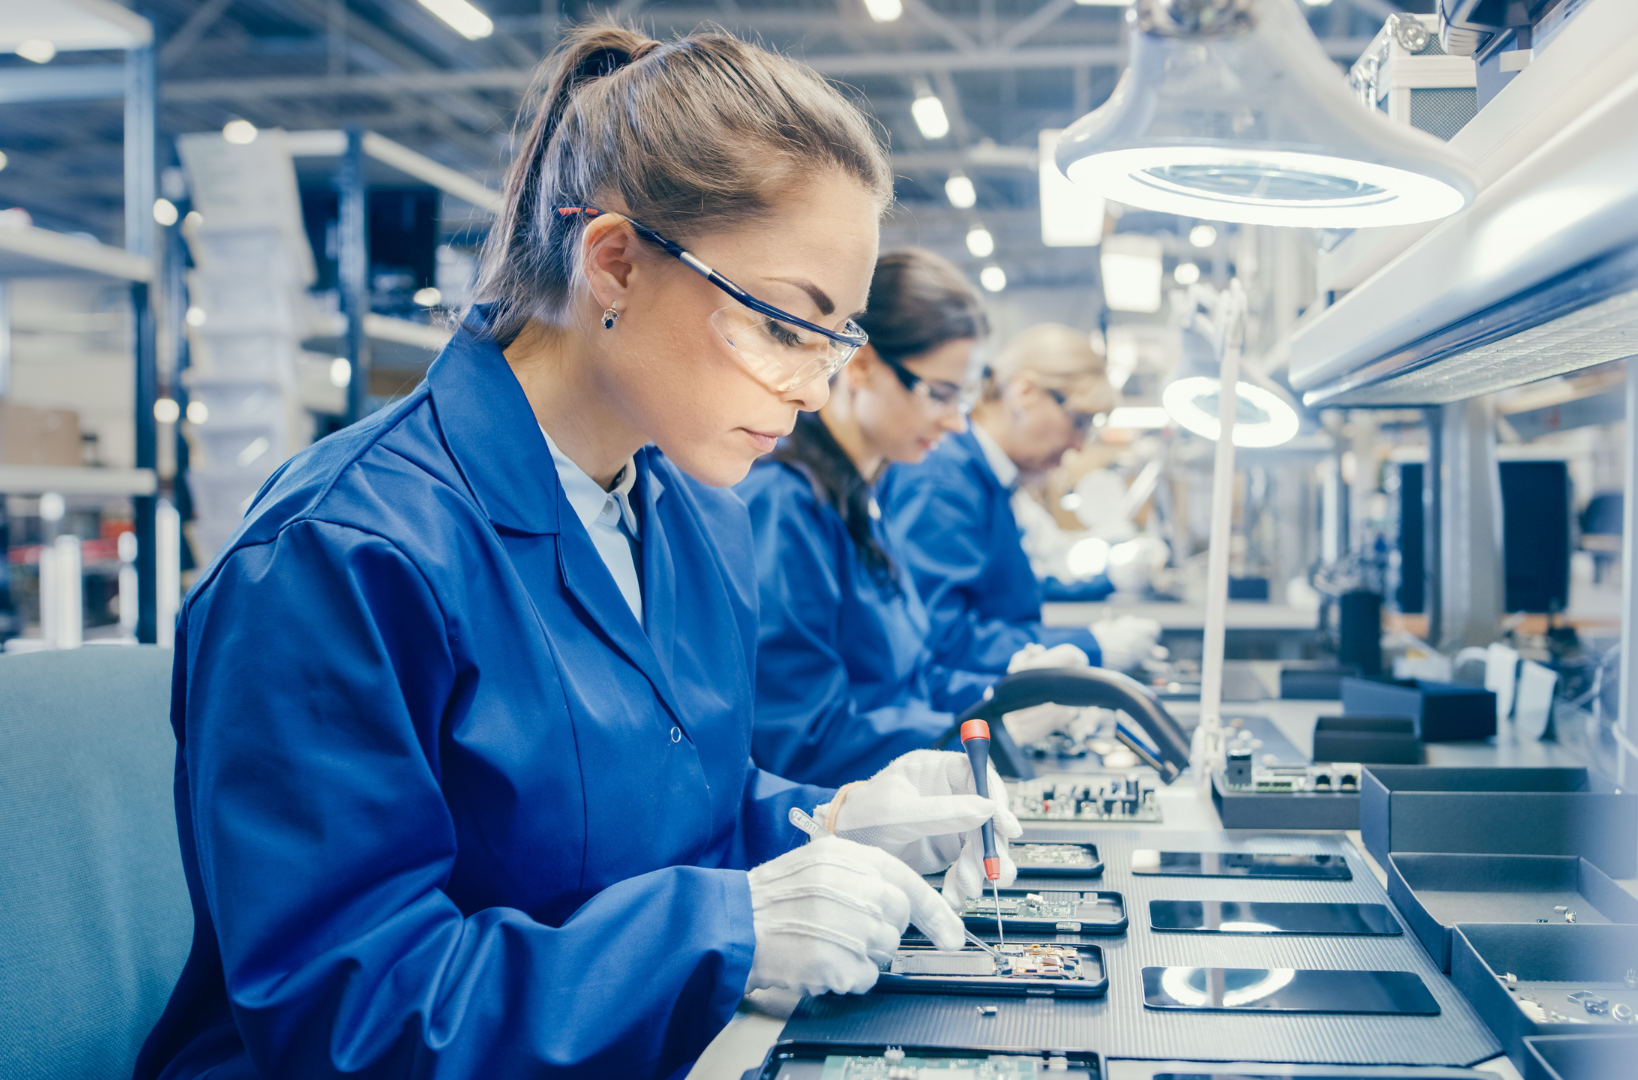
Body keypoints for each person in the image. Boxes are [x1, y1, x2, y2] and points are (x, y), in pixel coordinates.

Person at [134, 24, 1019, 1080]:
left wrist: (825, 822)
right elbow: (349, 1013)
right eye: (787, 326)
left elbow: (679, 807)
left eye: (838, 342)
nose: (816, 388)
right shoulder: (342, 556)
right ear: (614, 264)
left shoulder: (685, 514)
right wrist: (728, 928)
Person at [738, 249, 1003, 787]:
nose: (956, 423)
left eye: (965, 398)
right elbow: (802, 738)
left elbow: (909, 679)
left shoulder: (862, 496)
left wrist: (1004, 702)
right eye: (941, 395)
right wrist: (968, 733)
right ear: (860, 366)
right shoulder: (787, 507)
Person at [881, 323, 1161, 677]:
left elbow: (1002, 592)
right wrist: (1086, 646)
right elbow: (943, 639)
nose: (1079, 444)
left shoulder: (986, 480)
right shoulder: (943, 482)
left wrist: (1106, 583)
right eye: (1077, 421)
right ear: (1026, 392)